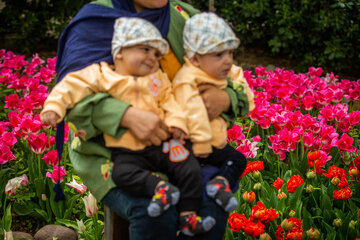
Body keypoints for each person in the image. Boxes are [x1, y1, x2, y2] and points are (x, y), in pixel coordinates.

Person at [54, 0, 251, 239]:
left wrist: (226, 97)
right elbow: (70, 96)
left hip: (180, 143)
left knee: (212, 201)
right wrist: (125, 115)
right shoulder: (96, 19)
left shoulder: (187, 17)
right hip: (112, 151)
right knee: (155, 211)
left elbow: (233, 77)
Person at [172, 12, 255, 215]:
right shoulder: (188, 79)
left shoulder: (228, 72)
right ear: (195, 58)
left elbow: (247, 99)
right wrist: (200, 145)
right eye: (218, 55)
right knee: (189, 178)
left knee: (237, 159)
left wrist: (230, 97)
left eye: (230, 53)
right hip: (189, 143)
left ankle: (220, 183)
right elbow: (193, 112)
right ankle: (188, 217)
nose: (227, 61)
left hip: (212, 144)